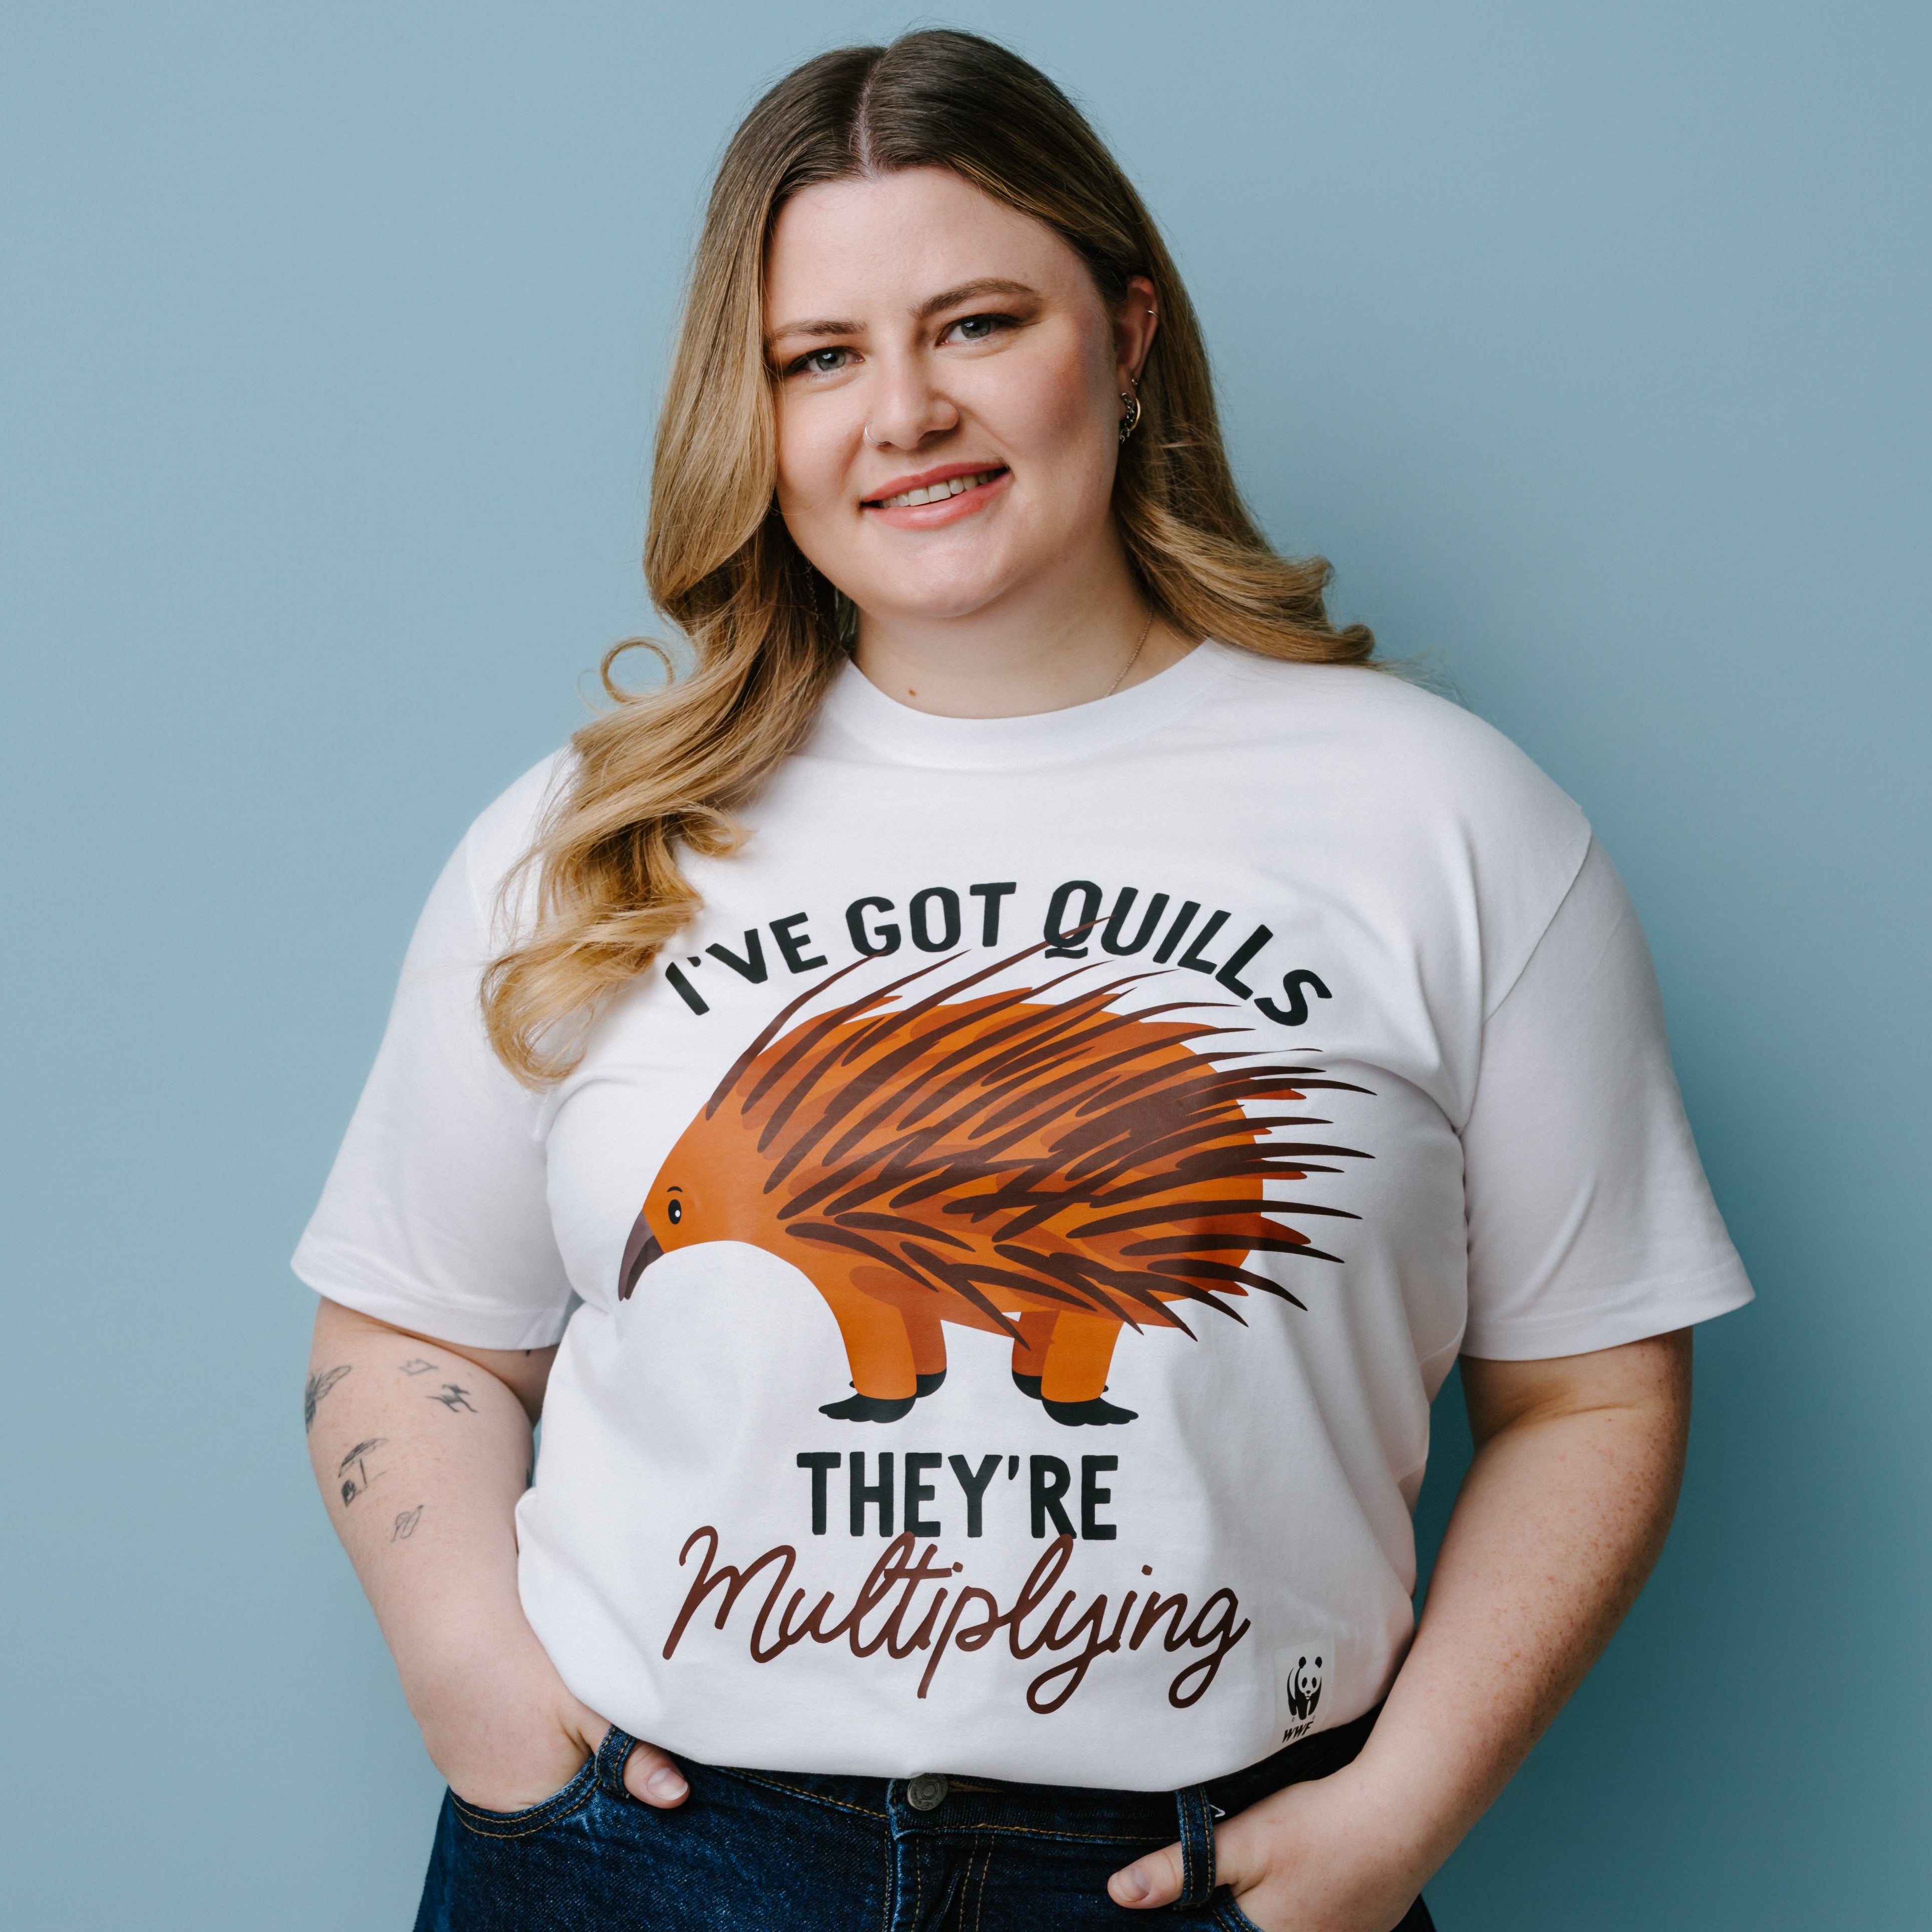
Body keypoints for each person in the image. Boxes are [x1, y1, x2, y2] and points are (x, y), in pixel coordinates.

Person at [296, 30, 1751, 1932]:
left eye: (976, 323)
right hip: (657, 1860)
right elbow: (411, 1335)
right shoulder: (590, 841)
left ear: (1127, 334)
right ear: (759, 415)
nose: (900, 412)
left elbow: (1595, 1393)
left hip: (1212, 1865)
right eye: (821, 357)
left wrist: (1400, 1814)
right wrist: (480, 1691)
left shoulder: (1446, 820)